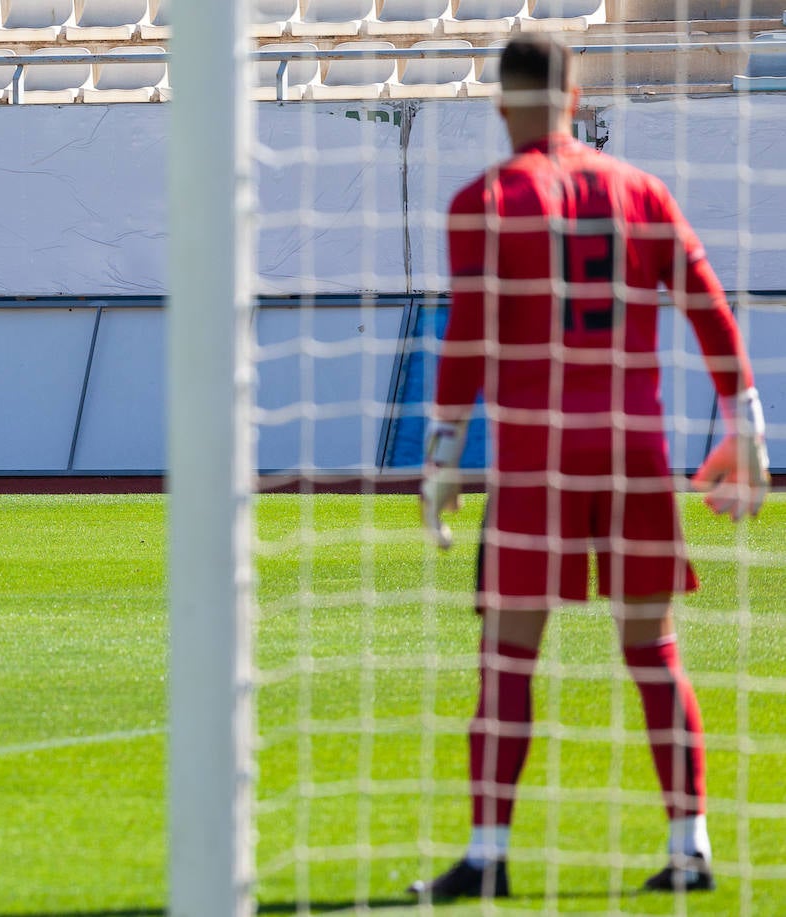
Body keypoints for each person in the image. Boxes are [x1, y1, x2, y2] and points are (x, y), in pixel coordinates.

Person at [413, 33, 770, 901]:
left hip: (537, 459)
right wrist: (748, 426)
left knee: (507, 658)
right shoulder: (641, 191)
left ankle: (488, 852)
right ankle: (690, 846)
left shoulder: (485, 200)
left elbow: (467, 334)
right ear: (577, 97)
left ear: (501, 104)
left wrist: (442, 454)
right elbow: (709, 306)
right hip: (635, 453)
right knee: (655, 650)